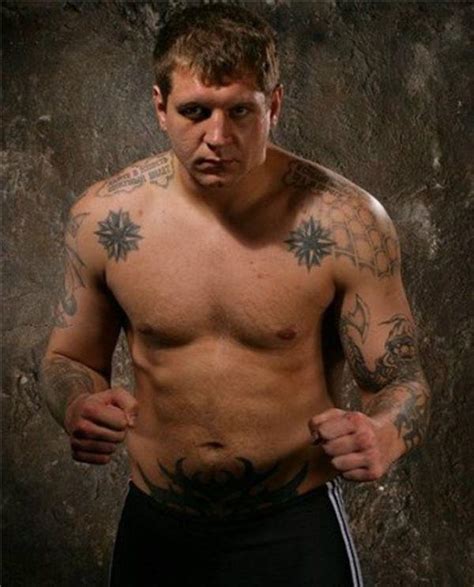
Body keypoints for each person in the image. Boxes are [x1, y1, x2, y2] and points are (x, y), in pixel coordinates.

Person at [41, 4, 430, 586]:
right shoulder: (104, 220)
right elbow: (67, 358)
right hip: (157, 528)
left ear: (273, 106)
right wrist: (76, 404)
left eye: (240, 111)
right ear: (160, 107)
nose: (217, 137)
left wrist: (384, 434)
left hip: (293, 527)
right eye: (195, 112)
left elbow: (402, 379)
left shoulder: (345, 224)